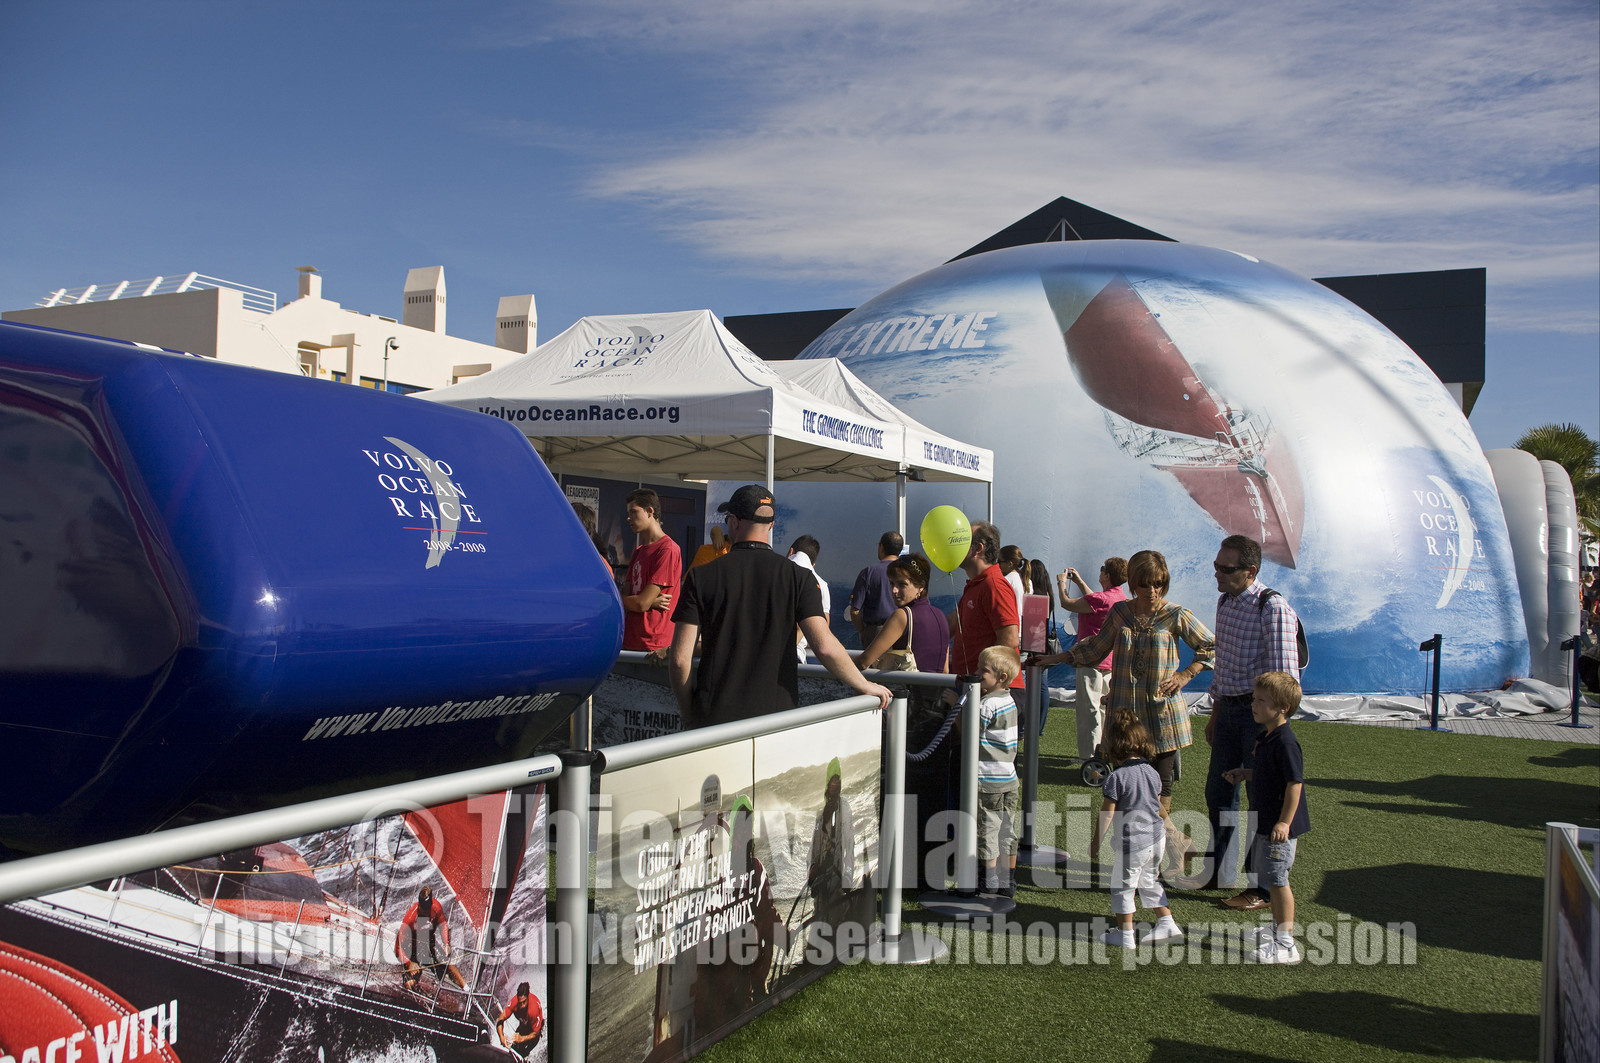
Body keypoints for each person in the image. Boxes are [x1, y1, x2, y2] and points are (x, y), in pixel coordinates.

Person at [1036, 549, 1214, 873]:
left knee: (1161, 788)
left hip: (1164, 718)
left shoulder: (1176, 615)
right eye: (1145, 584)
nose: (1152, 591)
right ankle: (1175, 844)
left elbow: (1211, 646)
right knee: (1131, 790)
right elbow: (1095, 648)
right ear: (1133, 583)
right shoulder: (1120, 612)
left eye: (1158, 584)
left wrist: (1186, 674)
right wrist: (1055, 658)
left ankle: (1160, 858)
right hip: (1126, 721)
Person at [668, 485, 891, 728]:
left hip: (715, 716)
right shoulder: (800, 578)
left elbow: (679, 659)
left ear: (734, 521)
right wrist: (863, 684)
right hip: (776, 717)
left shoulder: (701, 576)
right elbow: (825, 647)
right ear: (772, 525)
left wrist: (689, 713)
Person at [1202, 534, 1302, 906]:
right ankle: (1220, 872)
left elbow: (1285, 679)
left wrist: (1271, 731)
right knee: (1219, 792)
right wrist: (1216, 714)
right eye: (1216, 565)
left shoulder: (1272, 607)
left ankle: (1262, 888)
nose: (1217, 573)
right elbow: (1223, 665)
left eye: (1226, 568)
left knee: (1263, 801)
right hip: (1228, 710)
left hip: (1259, 718)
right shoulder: (1224, 602)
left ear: (1250, 571)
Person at [1222, 671, 1310, 964]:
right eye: (1254, 699)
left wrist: (1284, 822)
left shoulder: (1286, 742)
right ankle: (1276, 929)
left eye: (1261, 700)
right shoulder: (1268, 737)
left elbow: (1294, 784)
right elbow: (1268, 774)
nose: (1253, 705)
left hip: (1277, 826)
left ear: (1283, 708)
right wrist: (1245, 774)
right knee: (1271, 878)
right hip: (1267, 823)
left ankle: (1286, 943)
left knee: (1278, 880)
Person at [1090, 707, 1184, 947]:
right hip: (1156, 839)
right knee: (1149, 880)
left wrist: (1095, 844)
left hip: (1133, 844)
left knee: (1122, 888)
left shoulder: (1116, 778)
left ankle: (1125, 935)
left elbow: (1107, 815)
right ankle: (1167, 923)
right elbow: (1158, 805)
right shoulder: (1152, 772)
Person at [1056, 558, 1129, 763]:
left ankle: (1089, 757)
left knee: (1088, 711)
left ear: (1107, 576)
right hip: (1111, 661)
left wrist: (1061, 583)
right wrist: (1079, 582)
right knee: (1104, 710)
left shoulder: (1100, 600)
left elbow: (1066, 603)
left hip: (1091, 660)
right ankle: (1104, 752)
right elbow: (1094, 601)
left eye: (1103, 569)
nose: (1100, 571)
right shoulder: (1120, 598)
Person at [968, 645, 1022, 896]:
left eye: (983, 670)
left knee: (987, 831)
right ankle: (1008, 880)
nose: (977, 673)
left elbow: (970, 733)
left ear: (1001, 677)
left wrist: (957, 705)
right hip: (1009, 779)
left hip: (988, 781)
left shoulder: (985, 705)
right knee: (1007, 830)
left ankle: (987, 881)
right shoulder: (1009, 700)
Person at [947, 522, 1022, 698]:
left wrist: (984, 681)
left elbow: (1009, 639)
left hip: (993, 691)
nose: (954, 547)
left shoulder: (993, 584)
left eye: (962, 541)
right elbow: (949, 626)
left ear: (978, 548)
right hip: (977, 687)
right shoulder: (977, 585)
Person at [855, 552, 950, 675]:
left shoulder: (902, 616)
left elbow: (864, 661)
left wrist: (838, 668)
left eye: (902, 584)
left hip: (907, 686)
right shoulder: (941, 616)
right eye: (892, 584)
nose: (894, 590)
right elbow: (945, 670)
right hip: (937, 686)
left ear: (921, 586)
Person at [621, 488, 682, 655]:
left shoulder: (668, 549)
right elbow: (633, 598)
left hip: (654, 647)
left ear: (650, 511)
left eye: (633, 512)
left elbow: (641, 603)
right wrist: (643, 601)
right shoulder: (639, 551)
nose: (628, 518)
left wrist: (639, 601)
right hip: (629, 640)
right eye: (628, 513)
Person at [807, 758, 857, 928]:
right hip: (821, 877)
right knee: (819, 920)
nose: (835, 785)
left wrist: (848, 877)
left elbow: (849, 846)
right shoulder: (821, 815)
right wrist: (812, 869)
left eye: (837, 782)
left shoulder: (845, 808)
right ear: (827, 784)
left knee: (836, 918)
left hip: (837, 876)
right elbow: (814, 846)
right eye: (832, 782)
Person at [395, 885, 466, 990]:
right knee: (411, 983)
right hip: (411, 948)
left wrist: (446, 944)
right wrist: (409, 963)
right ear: (419, 906)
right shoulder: (410, 918)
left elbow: (443, 924)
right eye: (423, 909)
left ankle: (467, 989)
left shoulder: (436, 907)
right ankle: (409, 986)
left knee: (448, 964)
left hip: (428, 943)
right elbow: (397, 947)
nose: (425, 913)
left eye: (427, 909)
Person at [848, 531, 904, 646]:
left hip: (876, 634)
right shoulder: (908, 573)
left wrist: (863, 631)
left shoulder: (868, 572)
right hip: (903, 632)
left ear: (881, 547)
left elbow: (855, 610)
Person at [787, 534, 829, 662]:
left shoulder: (776, 571)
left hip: (764, 653)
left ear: (790, 551)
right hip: (796, 655)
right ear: (813, 564)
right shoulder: (821, 584)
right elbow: (821, 632)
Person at [496, 981, 544, 1056]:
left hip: (534, 1032)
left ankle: (525, 1055)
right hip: (523, 1026)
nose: (522, 1006)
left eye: (524, 1002)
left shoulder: (533, 1010)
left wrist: (522, 1038)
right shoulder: (514, 1002)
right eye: (520, 1003)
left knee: (523, 1053)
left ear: (528, 997)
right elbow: (500, 1020)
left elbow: (536, 1033)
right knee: (513, 1051)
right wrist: (501, 1037)